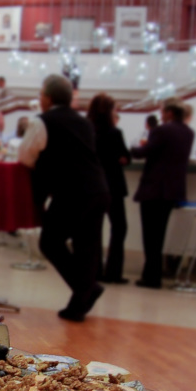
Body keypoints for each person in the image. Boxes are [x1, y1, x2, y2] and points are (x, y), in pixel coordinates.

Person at [18, 75, 110, 322]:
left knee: (50, 242)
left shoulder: (42, 121)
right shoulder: (84, 122)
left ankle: (87, 289)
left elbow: (26, 156)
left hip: (72, 192)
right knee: (87, 248)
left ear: (47, 98)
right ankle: (79, 304)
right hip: (98, 189)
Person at [131, 98, 195, 289]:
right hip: (173, 189)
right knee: (159, 233)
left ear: (169, 112)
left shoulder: (161, 130)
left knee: (150, 235)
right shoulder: (189, 133)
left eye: (162, 111)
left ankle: (151, 276)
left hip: (154, 188)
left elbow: (145, 152)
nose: (160, 115)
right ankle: (153, 275)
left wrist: (131, 150)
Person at [87, 94, 131, 285]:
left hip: (94, 184)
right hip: (113, 185)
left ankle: (95, 270)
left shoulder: (88, 131)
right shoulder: (115, 133)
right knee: (119, 227)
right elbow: (125, 157)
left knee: (94, 229)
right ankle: (113, 272)